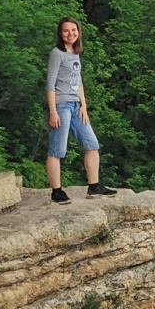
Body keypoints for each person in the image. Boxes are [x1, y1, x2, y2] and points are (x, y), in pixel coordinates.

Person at [46, 16, 117, 203]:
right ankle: (57, 191)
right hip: (61, 105)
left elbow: (78, 82)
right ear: (60, 34)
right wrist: (53, 111)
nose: (70, 34)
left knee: (92, 144)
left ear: (78, 32)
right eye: (66, 31)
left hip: (76, 106)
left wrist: (84, 105)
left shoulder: (75, 52)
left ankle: (94, 187)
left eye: (74, 30)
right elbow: (50, 84)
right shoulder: (57, 53)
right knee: (57, 149)